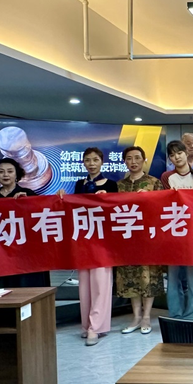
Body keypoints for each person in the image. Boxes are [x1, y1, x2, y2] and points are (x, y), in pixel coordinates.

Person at [0, 158, 51, 289]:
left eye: (10, 171)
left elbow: (43, 216)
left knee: (29, 286)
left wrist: (29, 202)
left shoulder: (28, 194)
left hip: (28, 250)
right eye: (1, 172)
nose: (5, 175)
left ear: (16, 174)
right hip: (5, 252)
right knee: (6, 288)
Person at [66, 148, 117, 345]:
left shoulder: (111, 185)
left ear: (102, 162)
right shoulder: (80, 184)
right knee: (85, 285)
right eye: (87, 160)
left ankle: (96, 327)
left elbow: (117, 211)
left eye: (95, 160)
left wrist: (107, 199)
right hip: (83, 239)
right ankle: (86, 324)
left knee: (100, 284)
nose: (91, 164)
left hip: (103, 240)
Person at [116, 146, 166, 335]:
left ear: (144, 160)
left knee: (148, 276)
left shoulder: (154, 182)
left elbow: (162, 209)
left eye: (137, 157)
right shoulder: (119, 185)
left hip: (148, 238)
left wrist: (149, 199)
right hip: (126, 239)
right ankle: (136, 317)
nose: (133, 161)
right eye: (129, 158)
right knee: (130, 277)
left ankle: (146, 317)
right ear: (125, 162)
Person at [160, 140, 193, 320]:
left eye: (179, 153)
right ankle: (175, 314)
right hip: (174, 232)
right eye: (172, 155)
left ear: (186, 153)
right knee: (173, 277)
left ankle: (192, 314)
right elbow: (166, 201)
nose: (176, 157)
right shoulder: (167, 177)